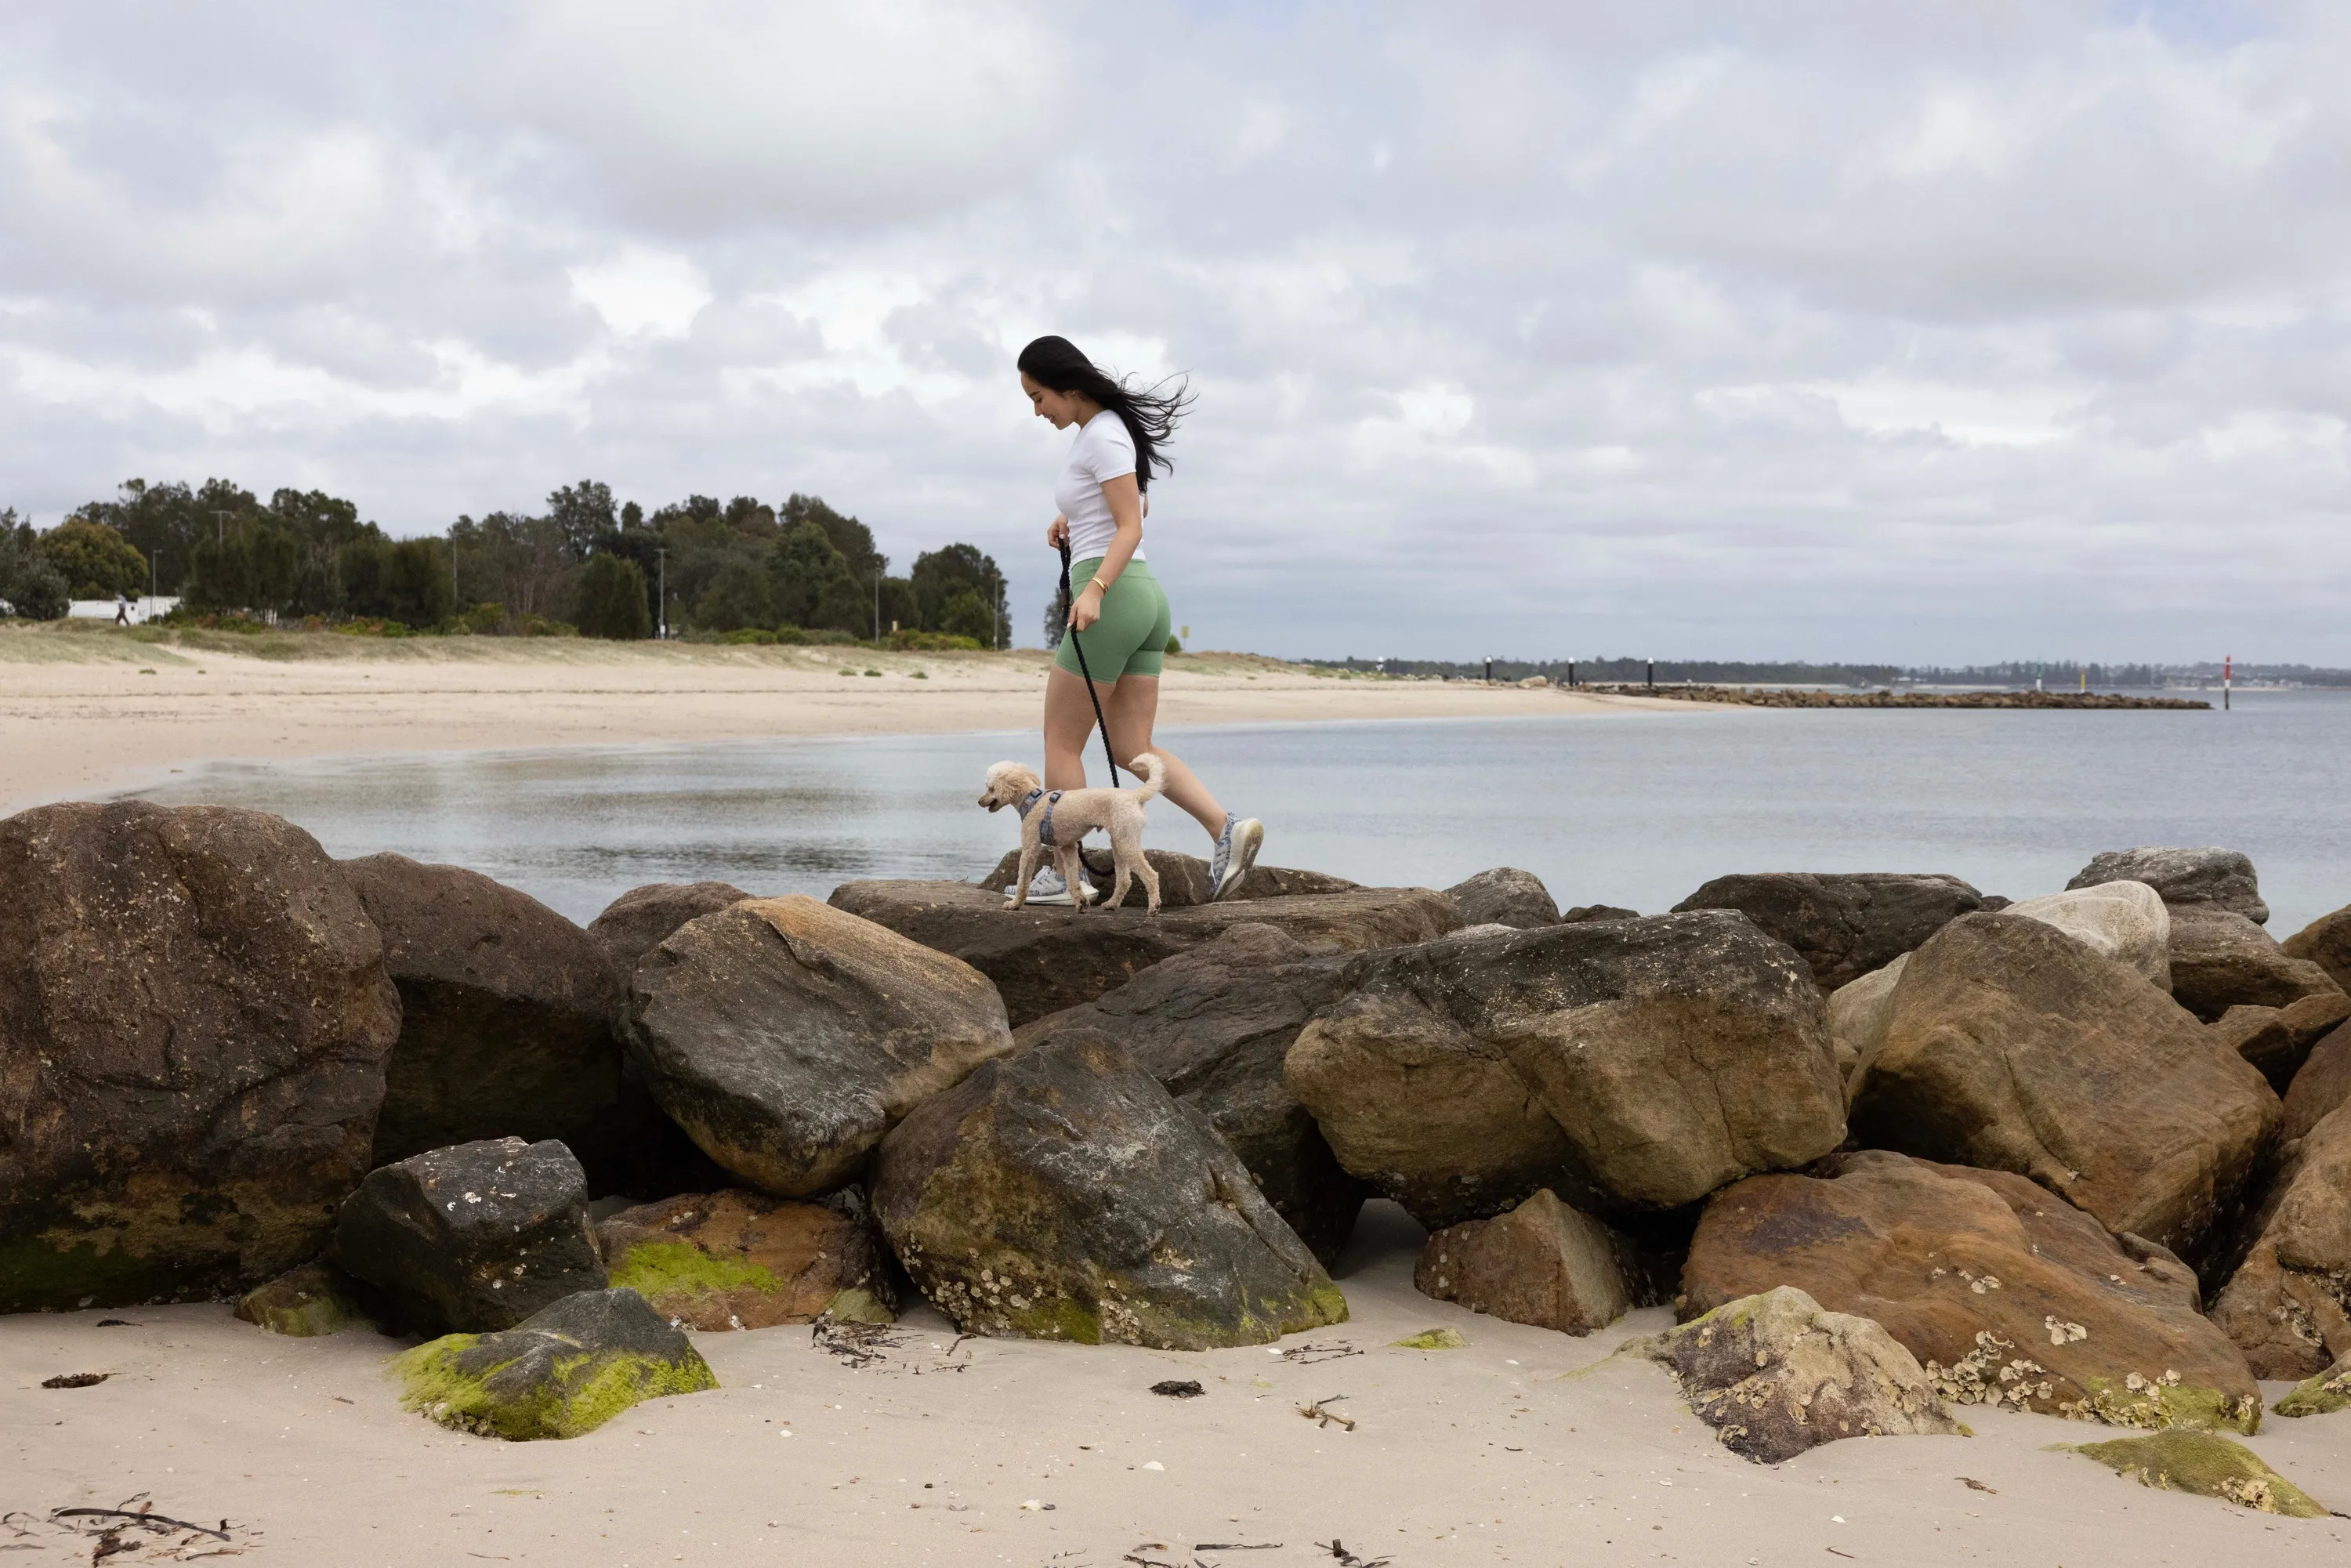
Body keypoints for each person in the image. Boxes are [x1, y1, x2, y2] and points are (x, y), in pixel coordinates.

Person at [1010, 334, 1262, 906]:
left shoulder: (1101, 436)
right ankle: (1227, 830)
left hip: (1115, 595)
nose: (1037, 411)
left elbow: (1131, 525)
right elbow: (1131, 506)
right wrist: (1069, 516)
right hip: (1145, 599)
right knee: (1133, 747)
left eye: (1038, 396)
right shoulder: (1109, 434)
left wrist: (1095, 588)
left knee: (1060, 738)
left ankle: (1064, 873)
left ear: (1068, 388)